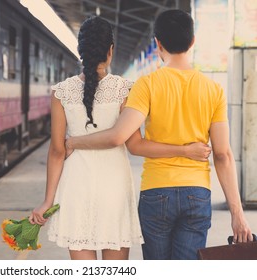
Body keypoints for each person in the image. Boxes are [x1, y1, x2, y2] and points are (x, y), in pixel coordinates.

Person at [65, 10, 253, 260]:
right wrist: (237, 213)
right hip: (196, 193)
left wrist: (73, 142)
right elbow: (222, 154)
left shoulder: (147, 84)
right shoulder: (213, 90)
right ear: (193, 41)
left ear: (157, 43)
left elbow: (129, 141)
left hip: (156, 191)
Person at [29, 16, 209, 260]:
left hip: (76, 186)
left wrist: (47, 201)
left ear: (81, 51)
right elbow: (131, 141)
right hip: (114, 187)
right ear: (111, 50)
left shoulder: (61, 92)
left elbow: (57, 151)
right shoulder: (126, 89)